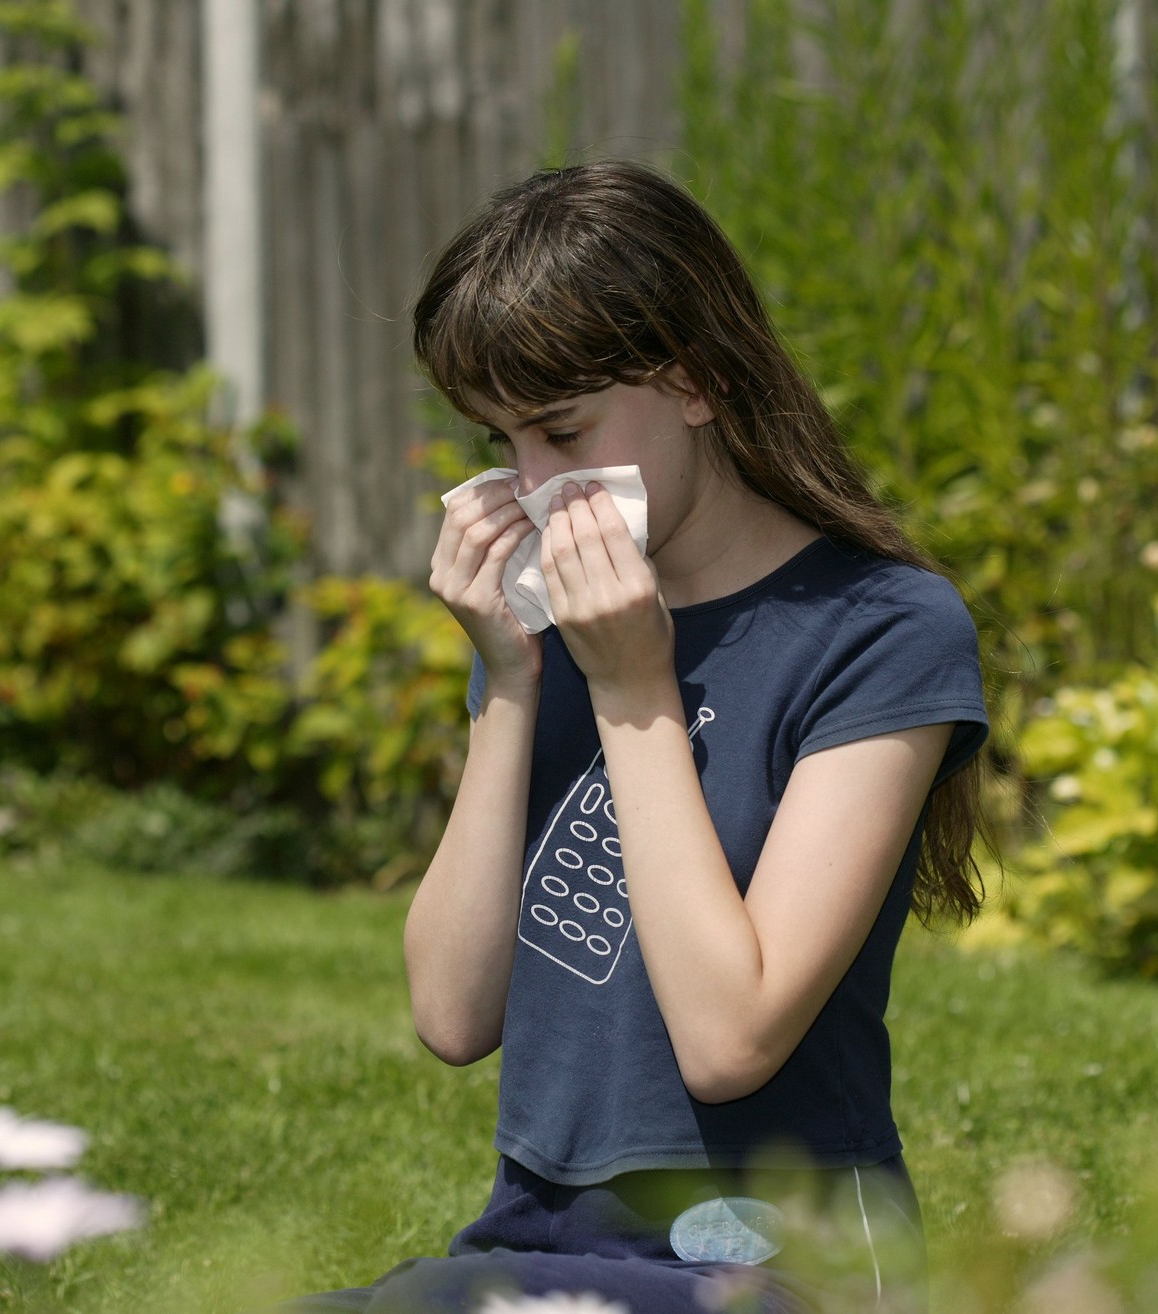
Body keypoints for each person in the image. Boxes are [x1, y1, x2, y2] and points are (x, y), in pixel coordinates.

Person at [283, 158, 991, 1314]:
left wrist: (634, 691)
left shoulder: (881, 631)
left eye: (563, 429)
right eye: (503, 439)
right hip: (536, 1232)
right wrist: (509, 681)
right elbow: (454, 1016)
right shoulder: (565, 622)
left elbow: (731, 1040)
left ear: (699, 378)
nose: (533, 482)